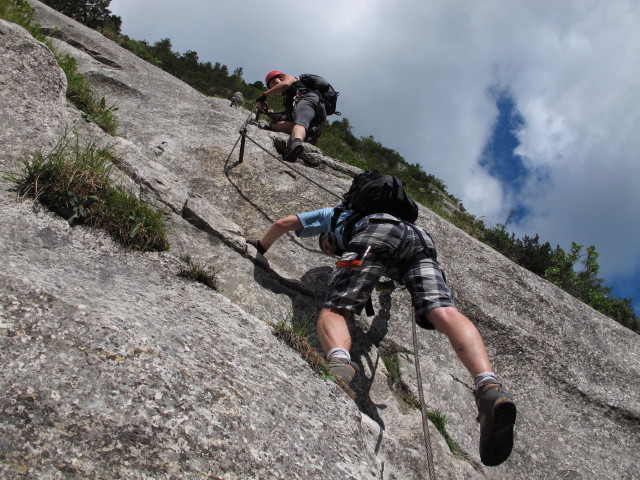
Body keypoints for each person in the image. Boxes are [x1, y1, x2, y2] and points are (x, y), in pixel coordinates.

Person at [248, 206, 517, 467]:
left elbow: (283, 223)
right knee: (443, 311)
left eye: (326, 244)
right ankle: (488, 387)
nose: (330, 249)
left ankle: (339, 366)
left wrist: (260, 246)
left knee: (337, 307)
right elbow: (382, 292)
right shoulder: (388, 213)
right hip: (418, 238)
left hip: (376, 233)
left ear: (327, 234)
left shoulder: (337, 214)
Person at [255, 71, 326, 162]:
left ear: (281, 77)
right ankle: (309, 132)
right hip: (315, 110)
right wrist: (266, 112)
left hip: (308, 99)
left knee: (300, 122)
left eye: (273, 82)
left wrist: (264, 95)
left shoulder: (288, 78)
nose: (273, 86)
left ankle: (296, 143)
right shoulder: (288, 98)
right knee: (275, 125)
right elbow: (286, 117)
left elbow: (285, 84)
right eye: (271, 86)